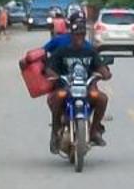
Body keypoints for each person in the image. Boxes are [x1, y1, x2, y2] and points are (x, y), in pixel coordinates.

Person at [42, 13, 111, 149]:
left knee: (102, 98)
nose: (79, 37)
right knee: (56, 97)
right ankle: (55, 131)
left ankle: (94, 131)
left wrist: (105, 73)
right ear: (71, 35)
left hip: (86, 88)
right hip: (66, 87)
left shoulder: (90, 50)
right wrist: (56, 76)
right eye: (76, 34)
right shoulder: (62, 51)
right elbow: (49, 67)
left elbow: (100, 66)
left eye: (81, 35)